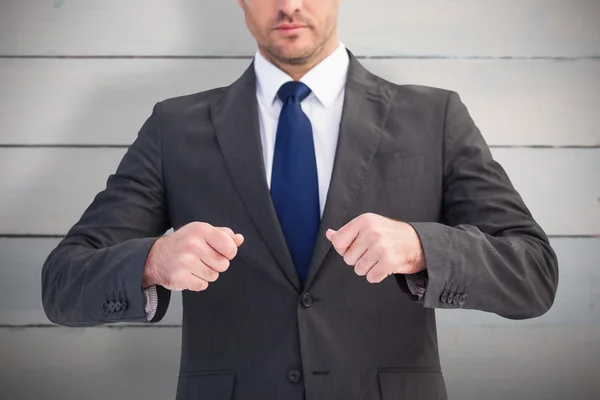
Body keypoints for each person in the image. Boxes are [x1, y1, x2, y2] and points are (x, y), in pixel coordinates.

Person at [41, 0, 559, 399]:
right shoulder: (174, 127)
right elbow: (63, 282)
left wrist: (423, 248)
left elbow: (534, 274)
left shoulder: (435, 117)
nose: (288, 4)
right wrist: (152, 261)